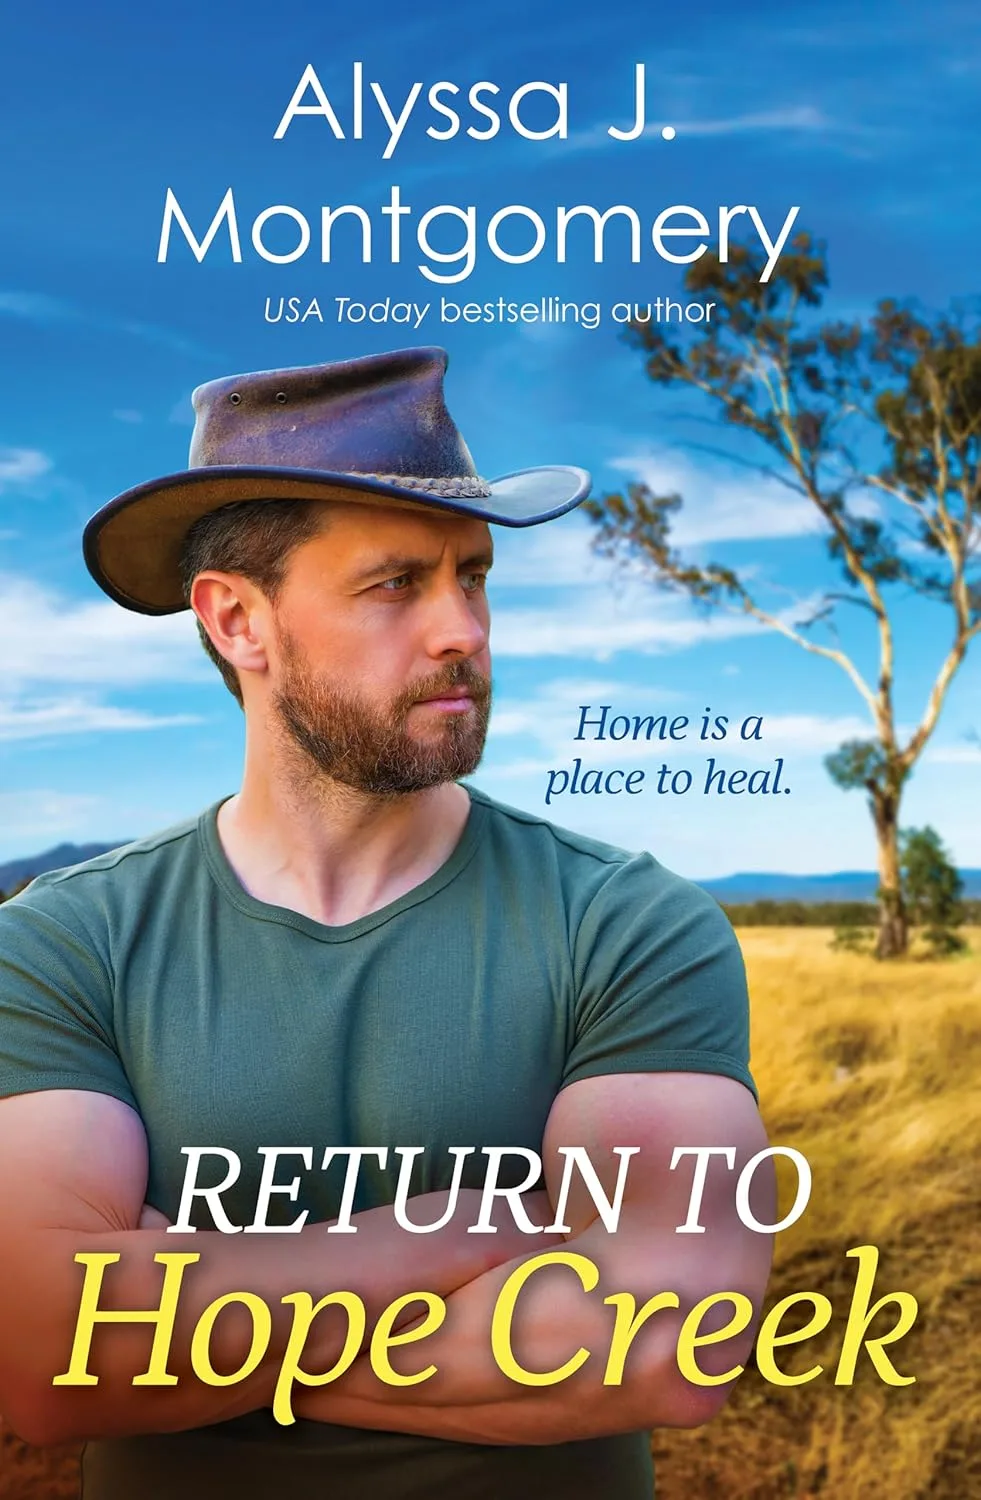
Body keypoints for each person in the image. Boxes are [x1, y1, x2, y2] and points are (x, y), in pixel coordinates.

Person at [0, 346, 772, 1499]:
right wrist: (467, 1227)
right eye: (395, 584)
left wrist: (186, 1310)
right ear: (236, 623)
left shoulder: (629, 924)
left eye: (476, 576)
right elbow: (42, 1362)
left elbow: (666, 1345)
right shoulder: (67, 944)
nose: (462, 628)